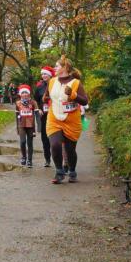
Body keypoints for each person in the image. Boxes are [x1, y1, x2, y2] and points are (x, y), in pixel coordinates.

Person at [46, 56, 89, 184]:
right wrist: (44, 98)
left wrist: (73, 95)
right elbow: (48, 95)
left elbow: (85, 101)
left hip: (71, 121)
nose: (55, 68)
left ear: (64, 68)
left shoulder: (76, 83)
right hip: (54, 119)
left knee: (70, 150)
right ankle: (59, 172)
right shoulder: (52, 81)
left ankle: (72, 171)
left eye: (57, 66)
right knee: (55, 145)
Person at [34, 66, 55, 167]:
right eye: (42, 74)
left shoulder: (56, 84)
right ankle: (47, 159)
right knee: (45, 138)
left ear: (50, 75)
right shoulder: (39, 86)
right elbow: (36, 100)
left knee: (55, 138)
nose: (43, 76)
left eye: (45, 74)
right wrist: (39, 109)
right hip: (44, 116)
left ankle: (58, 158)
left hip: (55, 114)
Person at [14, 84, 39, 168]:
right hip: (21, 125)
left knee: (29, 143)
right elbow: (16, 116)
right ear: (20, 94)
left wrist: (39, 126)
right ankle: (24, 157)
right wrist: (17, 127)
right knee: (23, 142)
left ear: (29, 94)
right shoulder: (18, 103)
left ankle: (30, 160)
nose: (24, 94)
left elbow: (37, 114)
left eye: (26, 93)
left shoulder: (33, 102)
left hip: (30, 126)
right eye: (23, 93)